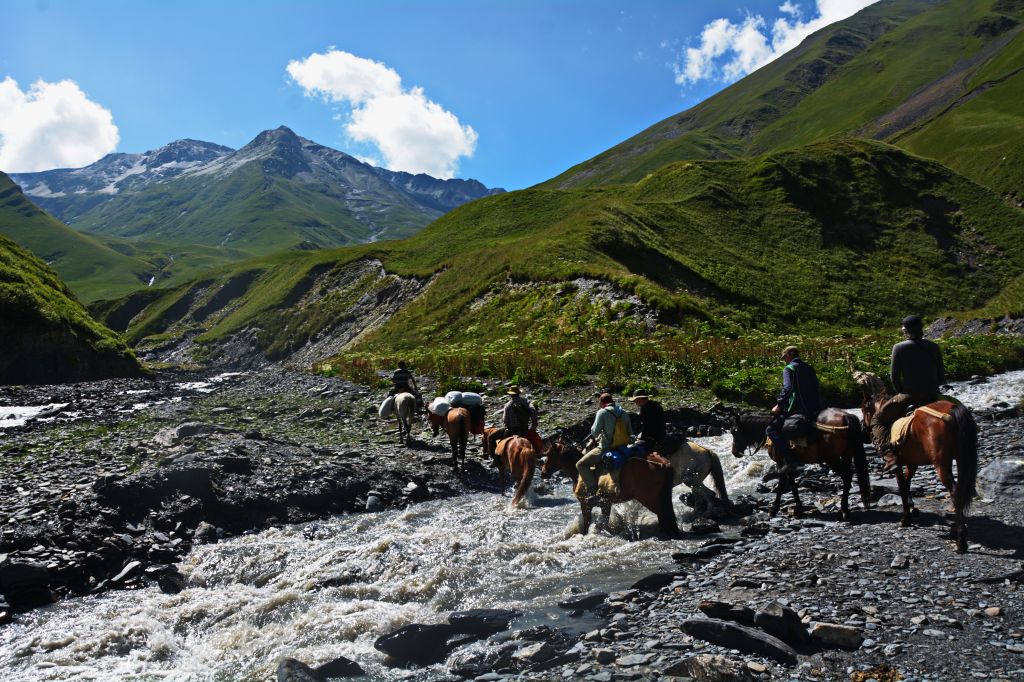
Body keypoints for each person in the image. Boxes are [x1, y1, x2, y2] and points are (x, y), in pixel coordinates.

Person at [871, 315, 945, 471]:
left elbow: (894, 376)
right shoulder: (934, 347)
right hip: (933, 394)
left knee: (877, 419)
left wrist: (900, 392)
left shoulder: (899, 347)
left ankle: (889, 456)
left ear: (905, 330)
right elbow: (941, 376)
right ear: (921, 329)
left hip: (910, 394)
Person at [765, 346, 822, 475]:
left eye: (785, 357)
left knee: (771, 429)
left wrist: (779, 405)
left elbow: (788, 388)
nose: (785, 360)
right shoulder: (809, 367)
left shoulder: (789, 369)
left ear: (789, 355)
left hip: (798, 408)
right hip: (815, 408)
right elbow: (817, 387)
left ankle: (790, 459)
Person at [577, 393, 634, 495]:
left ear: (602, 403)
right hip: (623, 448)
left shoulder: (602, 412)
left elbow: (595, 432)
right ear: (612, 401)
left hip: (606, 448)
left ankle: (593, 489)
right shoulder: (624, 413)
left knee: (580, 464)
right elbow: (630, 433)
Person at [490, 386, 544, 452]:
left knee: (491, 437)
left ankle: (495, 458)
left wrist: (507, 424)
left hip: (511, 430)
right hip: (524, 429)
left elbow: (505, 420)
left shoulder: (508, 405)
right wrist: (533, 427)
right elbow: (533, 411)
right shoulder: (526, 402)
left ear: (510, 394)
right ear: (519, 393)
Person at [629, 389, 678, 455]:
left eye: (636, 400)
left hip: (654, 438)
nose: (635, 402)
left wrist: (640, 437)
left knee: (635, 450)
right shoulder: (656, 404)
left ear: (640, 399)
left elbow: (647, 427)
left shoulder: (644, 409)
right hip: (662, 434)